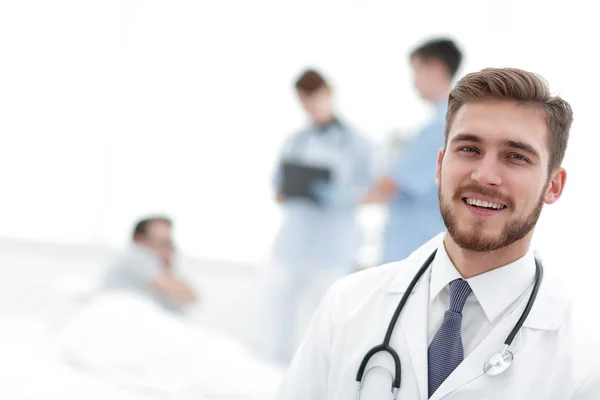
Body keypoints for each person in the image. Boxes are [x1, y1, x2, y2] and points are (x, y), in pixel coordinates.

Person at [274, 68, 600, 399]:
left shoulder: (586, 361)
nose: (485, 175)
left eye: (516, 156)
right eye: (469, 149)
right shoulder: (347, 306)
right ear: (439, 166)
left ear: (554, 185)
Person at [264, 68, 374, 364]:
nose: (310, 107)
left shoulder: (357, 142)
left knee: (324, 327)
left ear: (329, 93)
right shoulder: (295, 141)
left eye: (314, 98)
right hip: (291, 243)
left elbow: (374, 191)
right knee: (277, 321)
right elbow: (276, 190)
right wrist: (292, 189)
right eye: (304, 101)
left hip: (332, 249)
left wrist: (344, 196)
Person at [362, 38, 463, 263]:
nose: (414, 82)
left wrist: (347, 196)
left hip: (414, 249)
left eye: (416, 71)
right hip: (420, 248)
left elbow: (389, 186)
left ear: (435, 69)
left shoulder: (440, 127)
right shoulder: (449, 121)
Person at [100, 215, 197, 312]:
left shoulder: (155, 264)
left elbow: (191, 298)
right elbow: (185, 294)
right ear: (139, 239)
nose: (167, 248)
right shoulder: (137, 254)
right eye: (162, 242)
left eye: (168, 243)